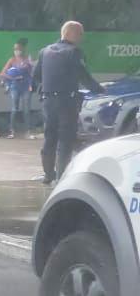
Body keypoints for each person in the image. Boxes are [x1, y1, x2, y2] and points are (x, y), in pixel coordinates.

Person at [34, 20, 105, 184]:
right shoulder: (74, 52)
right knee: (65, 138)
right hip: (67, 101)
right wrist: (100, 90)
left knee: (49, 137)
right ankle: (61, 177)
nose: (81, 38)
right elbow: (84, 76)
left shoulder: (44, 51)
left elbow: (36, 76)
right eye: (80, 34)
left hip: (48, 101)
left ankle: (48, 175)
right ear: (70, 33)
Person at [1, 38, 34, 138]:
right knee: (14, 109)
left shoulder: (27, 60)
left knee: (26, 110)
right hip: (15, 86)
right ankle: (12, 131)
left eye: (18, 49)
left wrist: (29, 65)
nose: (17, 51)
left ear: (23, 49)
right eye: (15, 49)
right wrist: (13, 77)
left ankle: (28, 131)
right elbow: (3, 73)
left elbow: (31, 73)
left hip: (25, 86)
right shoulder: (12, 60)